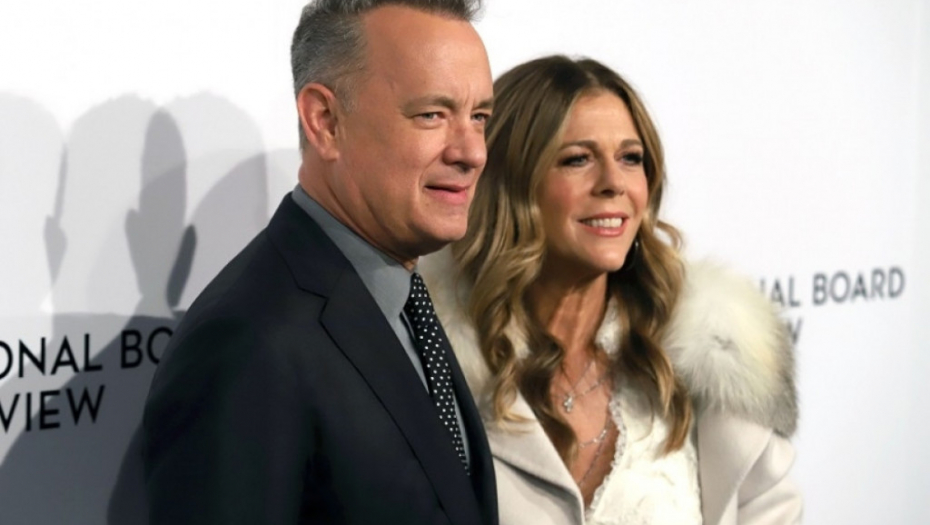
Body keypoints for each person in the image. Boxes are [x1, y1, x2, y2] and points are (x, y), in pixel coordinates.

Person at [142, 1, 497, 524]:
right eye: (432, 115)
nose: (472, 152)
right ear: (325, 121)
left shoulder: (402, 297)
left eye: (479, 117)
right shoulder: (248, 340)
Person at [420, 55, 802, 525]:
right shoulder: (429, 360)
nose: (613, 183)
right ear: (512, 182)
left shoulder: (712, 355)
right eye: (577, 159)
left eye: (630, 158)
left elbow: (769, 509)